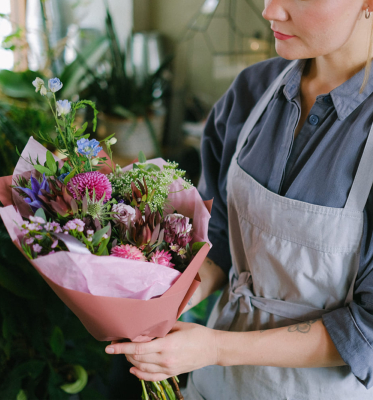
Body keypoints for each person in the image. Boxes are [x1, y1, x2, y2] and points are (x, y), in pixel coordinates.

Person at [105, 0, 373, 398]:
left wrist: (214, 347)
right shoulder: (250, 93)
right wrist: (174, 298)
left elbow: (365, 331)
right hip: (214, 385)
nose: (270, 11)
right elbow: (218, 240)